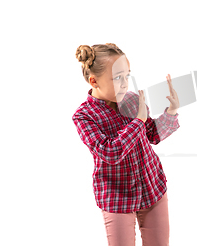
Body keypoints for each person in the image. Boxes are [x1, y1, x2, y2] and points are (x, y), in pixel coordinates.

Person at [72, 43, 180, 246]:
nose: (125, 84)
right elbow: (110, 152)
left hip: (152, 187)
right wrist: (138, 121)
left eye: (127, 76)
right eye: (117, 77)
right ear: (94, 81)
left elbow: (153, 135)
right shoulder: (84, 117)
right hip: (116, 197)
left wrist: (171, 112)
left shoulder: (131, 101)